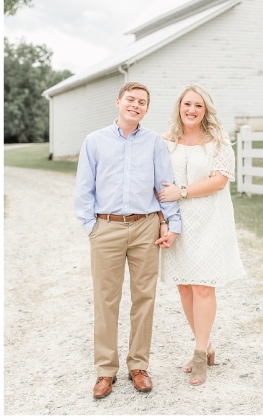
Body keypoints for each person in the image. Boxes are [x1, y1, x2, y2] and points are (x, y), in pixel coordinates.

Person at [75, 82, 181, 399]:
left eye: (142, 102)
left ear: (147, 109)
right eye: (131, 100)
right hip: (105, 228)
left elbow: (165, 185)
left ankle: (138, 366)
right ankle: (105, 371)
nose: (135, 105)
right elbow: (84, 190)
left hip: (145, 227)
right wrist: (91, 227)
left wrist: (171, 223)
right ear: (119, 102)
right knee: (106, 300)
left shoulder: (153, 143)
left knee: (143, 299)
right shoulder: (94, 141)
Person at [156, 84, 245, 386]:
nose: (191, 110)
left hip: (209, 219)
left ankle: (198, 355)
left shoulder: (217, 142)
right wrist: (163, 221)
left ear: (205, 110)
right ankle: (205, 346)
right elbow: (157, 184)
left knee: (204, 286)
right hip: (178, 220)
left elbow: (218, 182)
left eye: (198, 106)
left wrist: (180, 191)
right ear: (179, 107)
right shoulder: (164, 142)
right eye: (187, 104)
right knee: (184, 287)